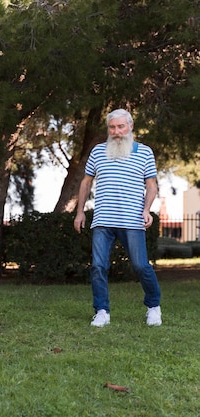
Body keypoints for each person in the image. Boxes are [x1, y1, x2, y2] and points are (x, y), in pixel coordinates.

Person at [74, 108, 162, 327]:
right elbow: (86, 182)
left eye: (121, 126)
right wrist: (79, 212)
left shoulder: (144, 152)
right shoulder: (97, 151)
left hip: (132, 220)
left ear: (130, 126)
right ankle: (102, 311)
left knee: (141, 266)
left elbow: (151, 186)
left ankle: (153, 307)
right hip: (103, 220)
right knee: (97, 266)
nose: (116, 131)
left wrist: (146, 209)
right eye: (112, 127)